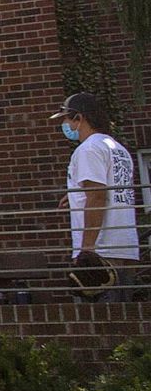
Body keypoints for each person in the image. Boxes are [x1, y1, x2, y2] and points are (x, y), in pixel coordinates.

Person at [50, 92, 141, 299]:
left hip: (102, 251)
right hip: (126, 247)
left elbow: (97, 196)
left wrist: (87, 249)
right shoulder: (118, 149)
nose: (65, 124)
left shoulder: (88, 149)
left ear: (79, 118)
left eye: (66, 118)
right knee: (126, 316)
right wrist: (76, 194)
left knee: (98, 320)